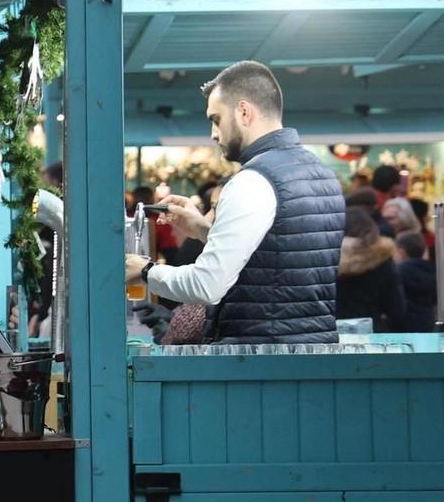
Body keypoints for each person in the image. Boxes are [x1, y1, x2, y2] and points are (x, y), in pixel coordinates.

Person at [142, 62, 347, 345]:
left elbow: (206, 285)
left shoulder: (252, 181)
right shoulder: (323, 175)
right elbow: (277, 258)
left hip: (256, 363)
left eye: (216, 119)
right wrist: (204, 230)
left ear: (243, 112)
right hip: (312, 357)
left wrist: (143, 271)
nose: (213, 133)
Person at [337, 206, 405, 334]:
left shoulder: (325, 260)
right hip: (372, 335)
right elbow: (397, 310)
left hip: (331, 336)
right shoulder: (382, 259)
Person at [395, 230, 437, 334]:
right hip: (428, 320)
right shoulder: (433, 269)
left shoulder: (398, 271)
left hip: (404, 324)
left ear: (401, 251)